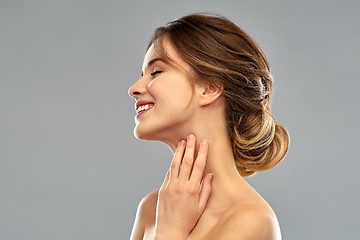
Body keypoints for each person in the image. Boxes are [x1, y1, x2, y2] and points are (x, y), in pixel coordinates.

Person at [128, 13, 290, 240]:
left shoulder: (251, 221)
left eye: (156, 72)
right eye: (142, 74)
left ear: (210, 88)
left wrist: (170, 231)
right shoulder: (151, 209)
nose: (134, 88)